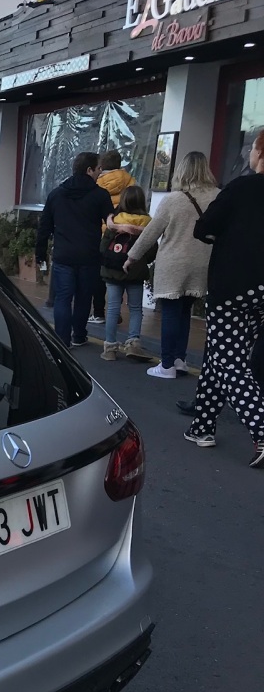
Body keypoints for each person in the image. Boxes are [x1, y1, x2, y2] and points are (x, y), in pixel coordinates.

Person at [183, 129, 264, 467]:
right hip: (262, 292)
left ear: (259, 152)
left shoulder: (242, 187)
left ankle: (261, 428)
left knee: (230, 362)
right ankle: (202, 426)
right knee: (222, 353)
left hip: (231, 286)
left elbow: (203, 228)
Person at [122, 151, 219, 379]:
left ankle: (166, 365)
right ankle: (179, 359)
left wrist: (132, 257)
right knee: (185, 311)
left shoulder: (173, 200)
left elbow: (150, 233)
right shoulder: (217, 197)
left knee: (170, 313)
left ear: (182, 170)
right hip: (202, 263)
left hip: (174, 263)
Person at [35, 152, 113, 347]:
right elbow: (111, 224)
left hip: (63, 255)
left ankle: (62, 340)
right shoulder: (100, 196)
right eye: (98, 169)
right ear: (89, 170)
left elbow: (44, 227)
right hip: (89, 255)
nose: (100, 173)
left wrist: (40, 253)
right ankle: (79, 335)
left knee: (62, 298)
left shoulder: (56, 194)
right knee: (83, 298)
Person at [99, 185, 152, 361]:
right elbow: (152, 252)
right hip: (135, 273)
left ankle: (110, 348)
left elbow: (102, 248)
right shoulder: (148, 224)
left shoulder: (114, 222)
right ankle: (133, 343)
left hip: (112, 272)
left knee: (113, 308)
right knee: (136, 308)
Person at [89, 150, 137, 324]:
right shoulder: (130, 180)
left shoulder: (96, 182)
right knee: (118, 273)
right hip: (124, 233)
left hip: (103, 233)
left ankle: (99, 312)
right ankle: (114, 311)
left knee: (101, 274)